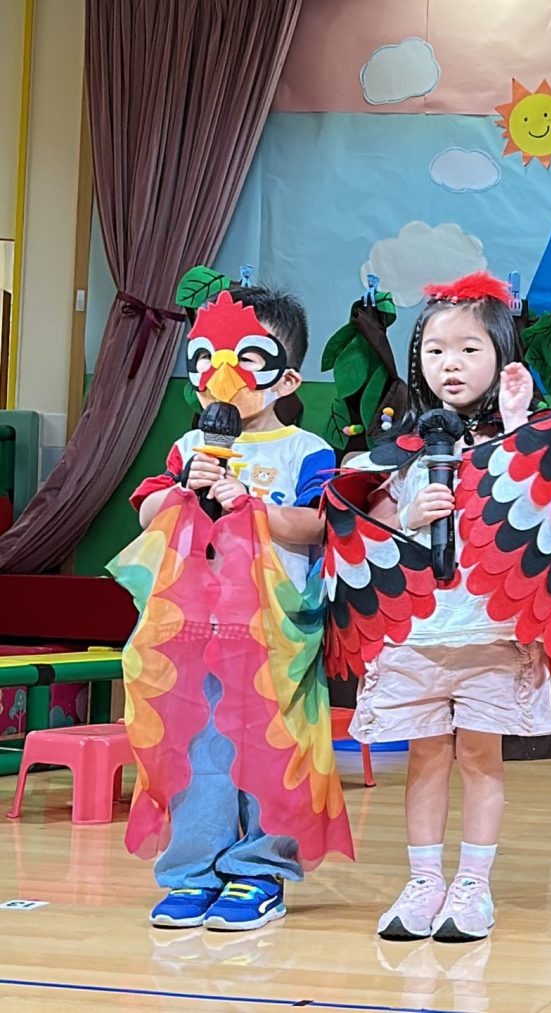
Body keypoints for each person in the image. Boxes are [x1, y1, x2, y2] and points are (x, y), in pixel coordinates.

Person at [329, 271, 551, 942]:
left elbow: (547, 499)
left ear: (501, 356)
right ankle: (423, 882)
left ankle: (472, 884)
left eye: (470, 349)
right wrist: (408, 514)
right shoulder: (404, 451)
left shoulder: (523, 437)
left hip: (490, 635)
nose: (451, 363)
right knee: (424, 758)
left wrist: (519, 424)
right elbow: (366, 525)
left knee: (479, 757)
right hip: (415, 636)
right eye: (436, 350)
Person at [118, 282, 351, 930]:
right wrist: (181, 491)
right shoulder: (188, 447)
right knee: (201, 754)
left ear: (287, 378)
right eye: (206, 358)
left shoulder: (306, 450)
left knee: (272, 754)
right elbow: (148, 511)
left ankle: (260, 872)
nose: (222, 376)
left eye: (245, 358)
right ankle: (192, 870)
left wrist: (255, 507)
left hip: (273, 629)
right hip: (195, 628)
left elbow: (319, 524)